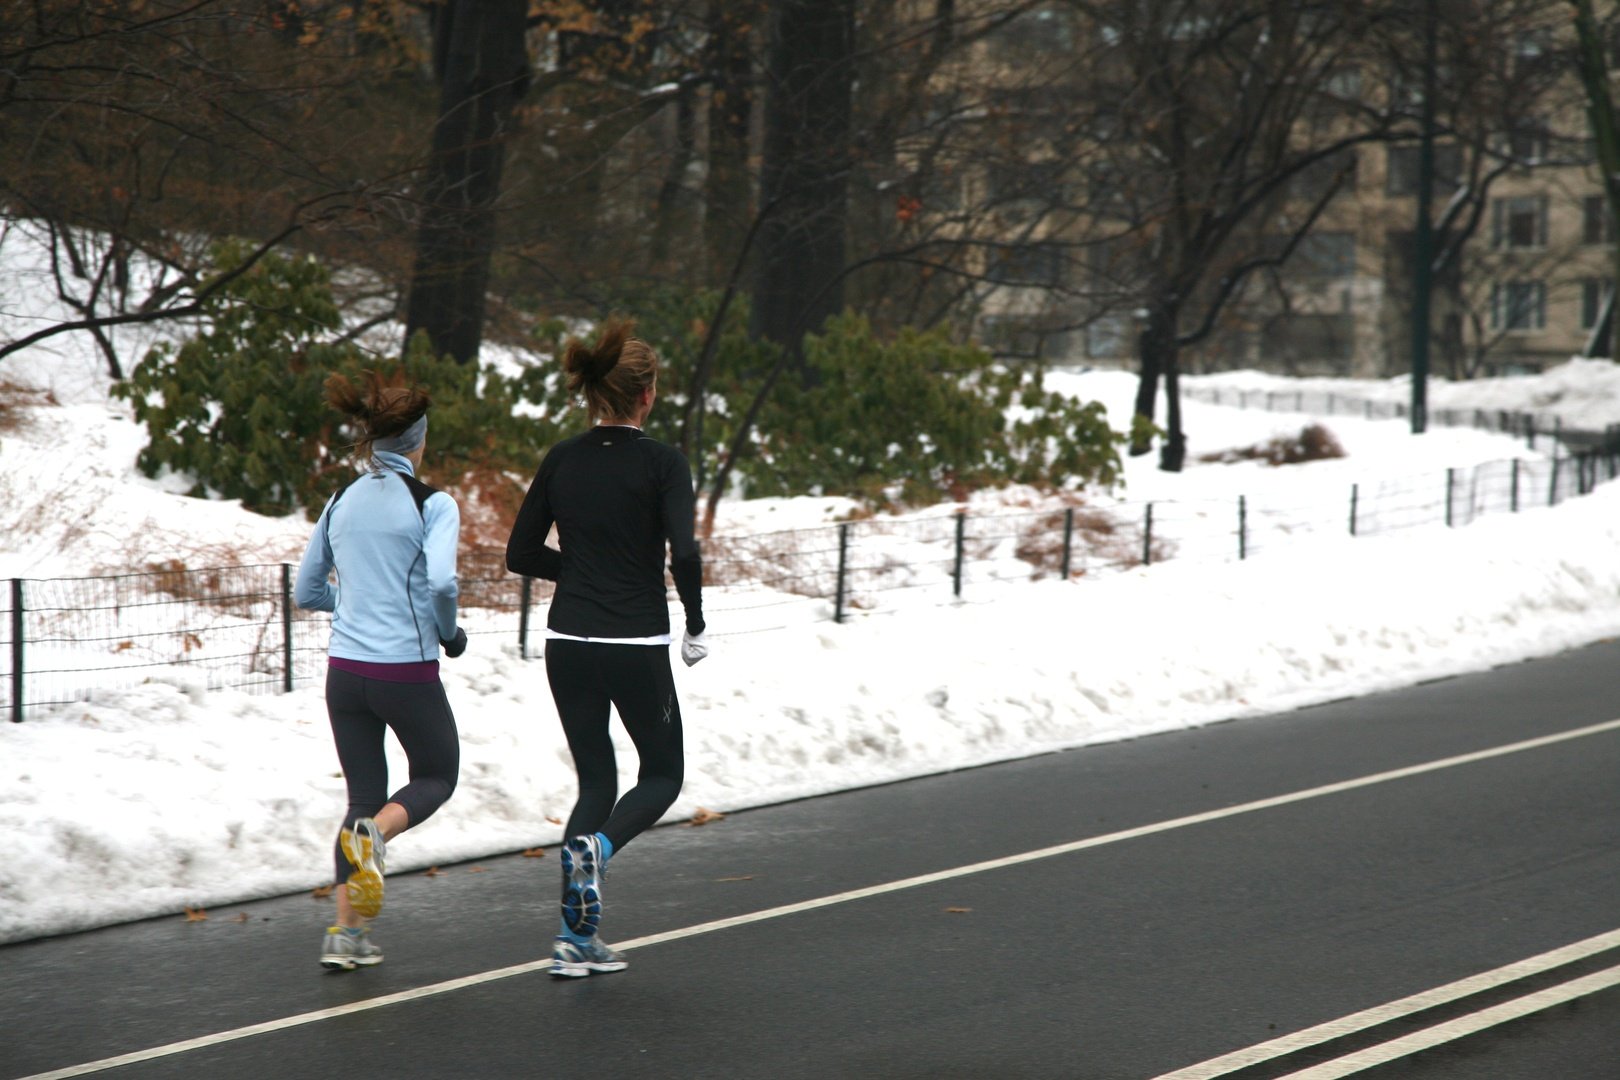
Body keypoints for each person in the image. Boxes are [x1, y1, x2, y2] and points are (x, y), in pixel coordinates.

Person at [506, 320, 708, 979]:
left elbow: (520, 553)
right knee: (662, 775)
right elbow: (687, 553)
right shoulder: (663, 463)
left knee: (596, 779)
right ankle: (599, 847)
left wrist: (584, 570)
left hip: (567, 641)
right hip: (634, 641)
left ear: (594, 395)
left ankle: (573, 940)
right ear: (646, 395)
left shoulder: (563, 457)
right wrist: (696, 624)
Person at [295, 370, 466, 972]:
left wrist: (351, 605)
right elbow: (443, 582)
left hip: (344, 674)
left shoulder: (341, 499)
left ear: (372, 442)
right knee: (437, 774)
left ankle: (344, 936)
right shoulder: (433, 503)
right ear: (418, 442)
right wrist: (448, 633)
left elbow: (305, 588)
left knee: (361, 796)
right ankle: (376, 838)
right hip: (406, 673)